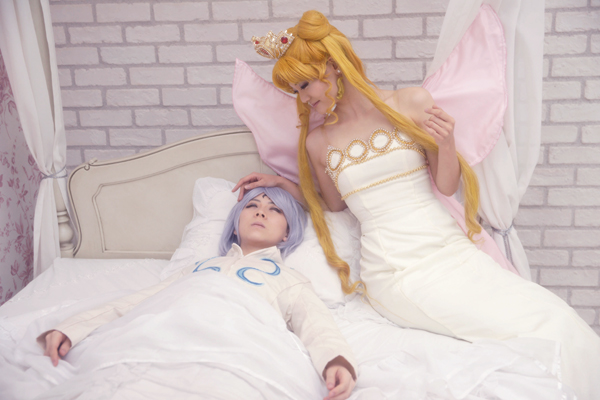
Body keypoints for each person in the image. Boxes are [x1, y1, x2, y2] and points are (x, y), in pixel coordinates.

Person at [234, 10, 600, 399]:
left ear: (333, 66)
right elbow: (334, 207)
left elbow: (446, 185)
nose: (304, 98)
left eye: (306, 84)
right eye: (296, 91)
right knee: (527, 330)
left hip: (452, 252)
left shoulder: (409, 102)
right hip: (396, 272)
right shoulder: (318, 142)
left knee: (556, 318)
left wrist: (446, 142)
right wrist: (284, 185)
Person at [38, 186, 357, 400]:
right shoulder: (199, 268)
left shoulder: (289, 279)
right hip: (169, 336)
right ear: (236, 224)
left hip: (235, 344)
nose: (260, 212)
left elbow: (316, 325)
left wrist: (336, 362)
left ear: (287, 233)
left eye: (274, 210)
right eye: (252, 206)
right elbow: (139, 301)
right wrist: (72, 328)